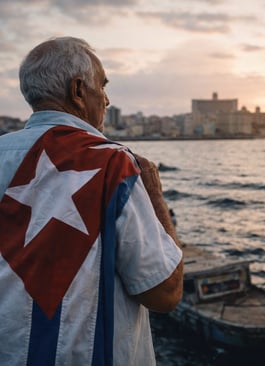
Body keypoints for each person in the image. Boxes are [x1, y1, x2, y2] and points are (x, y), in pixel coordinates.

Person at [0, 37, 183, 366]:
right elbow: (164, 293)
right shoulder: (114, 165)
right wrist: (154, 192)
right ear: (78, 91)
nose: (108, 99)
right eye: (103, 86)